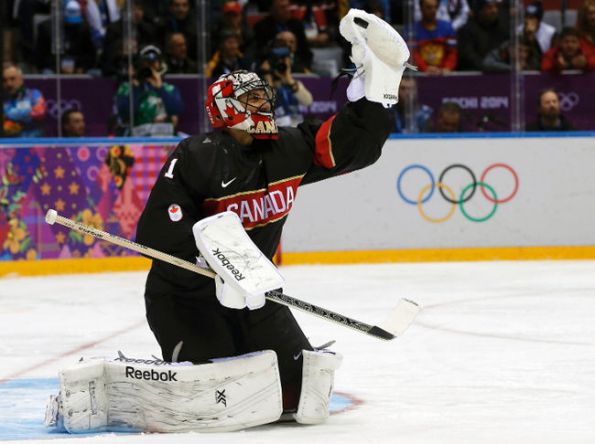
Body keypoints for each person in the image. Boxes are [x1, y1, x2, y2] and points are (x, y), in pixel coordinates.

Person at [135, 8, 407, 427]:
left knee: (301, 394)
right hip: (186, 300)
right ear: (225, 110)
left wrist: (376, 96)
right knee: (223, 397)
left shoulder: (288, 148)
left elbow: (350, 149)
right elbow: (156, 232)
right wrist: (212, 267)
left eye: (262, 96)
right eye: (250, 99)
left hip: (258, 297)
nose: (262, 104)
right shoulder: (197, 156)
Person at [114, 45, 183, 136]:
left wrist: (160, 88)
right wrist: (136, 88)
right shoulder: (126, 88)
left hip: (165, 140)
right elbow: (125, 115)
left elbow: (175, 110)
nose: (150, 69)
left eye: (153, 64)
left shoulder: (169, 89)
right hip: (138, 142)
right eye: (146, 64)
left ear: (160, 66)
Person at [259, 39, 314, 127]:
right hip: (277, 130)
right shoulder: (260, 85)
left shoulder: (292, 83)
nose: (281, 63)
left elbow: (308, 101)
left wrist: (289, 80)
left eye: (284, 60)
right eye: (277, 60)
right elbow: (266, 105)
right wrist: (268, 78)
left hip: (296, 129)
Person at [252, 0, 313, 72]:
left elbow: (305, 52)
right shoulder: (262, 27)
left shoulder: (297, 24)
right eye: (282, 7)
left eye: (288, 6)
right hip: (272, 67)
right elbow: (260, 52)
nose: (287, 10)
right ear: (272, 10)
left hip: (297, 65)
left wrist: (304, 67)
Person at [456, 0, 509, 71]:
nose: (494, 11)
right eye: (489, 8)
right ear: (480, 11)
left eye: (496, 7)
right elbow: (468, 56)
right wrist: (487, 66)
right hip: (473, 76)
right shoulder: (466, 30)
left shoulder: (501, 30)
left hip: (499, 73)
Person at [412, 0, 458, 74]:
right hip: (420, 75)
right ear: (420, 8)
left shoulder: (447, 28)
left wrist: (447, 67)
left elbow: (452, 53)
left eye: (435, 7)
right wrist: (425, 68)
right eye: (429, 7)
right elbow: (412, 54)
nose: (433, 10)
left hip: (443, 74)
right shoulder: (412, 30)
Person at [2, 63, 47, 137]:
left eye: (12, 79)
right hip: (8, 144)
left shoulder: (33, 94)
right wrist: (27, 112)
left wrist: (8, 114)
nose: (9, 84)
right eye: (4, 80)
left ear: (21, 80)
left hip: (34, 143)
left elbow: (40, 112)